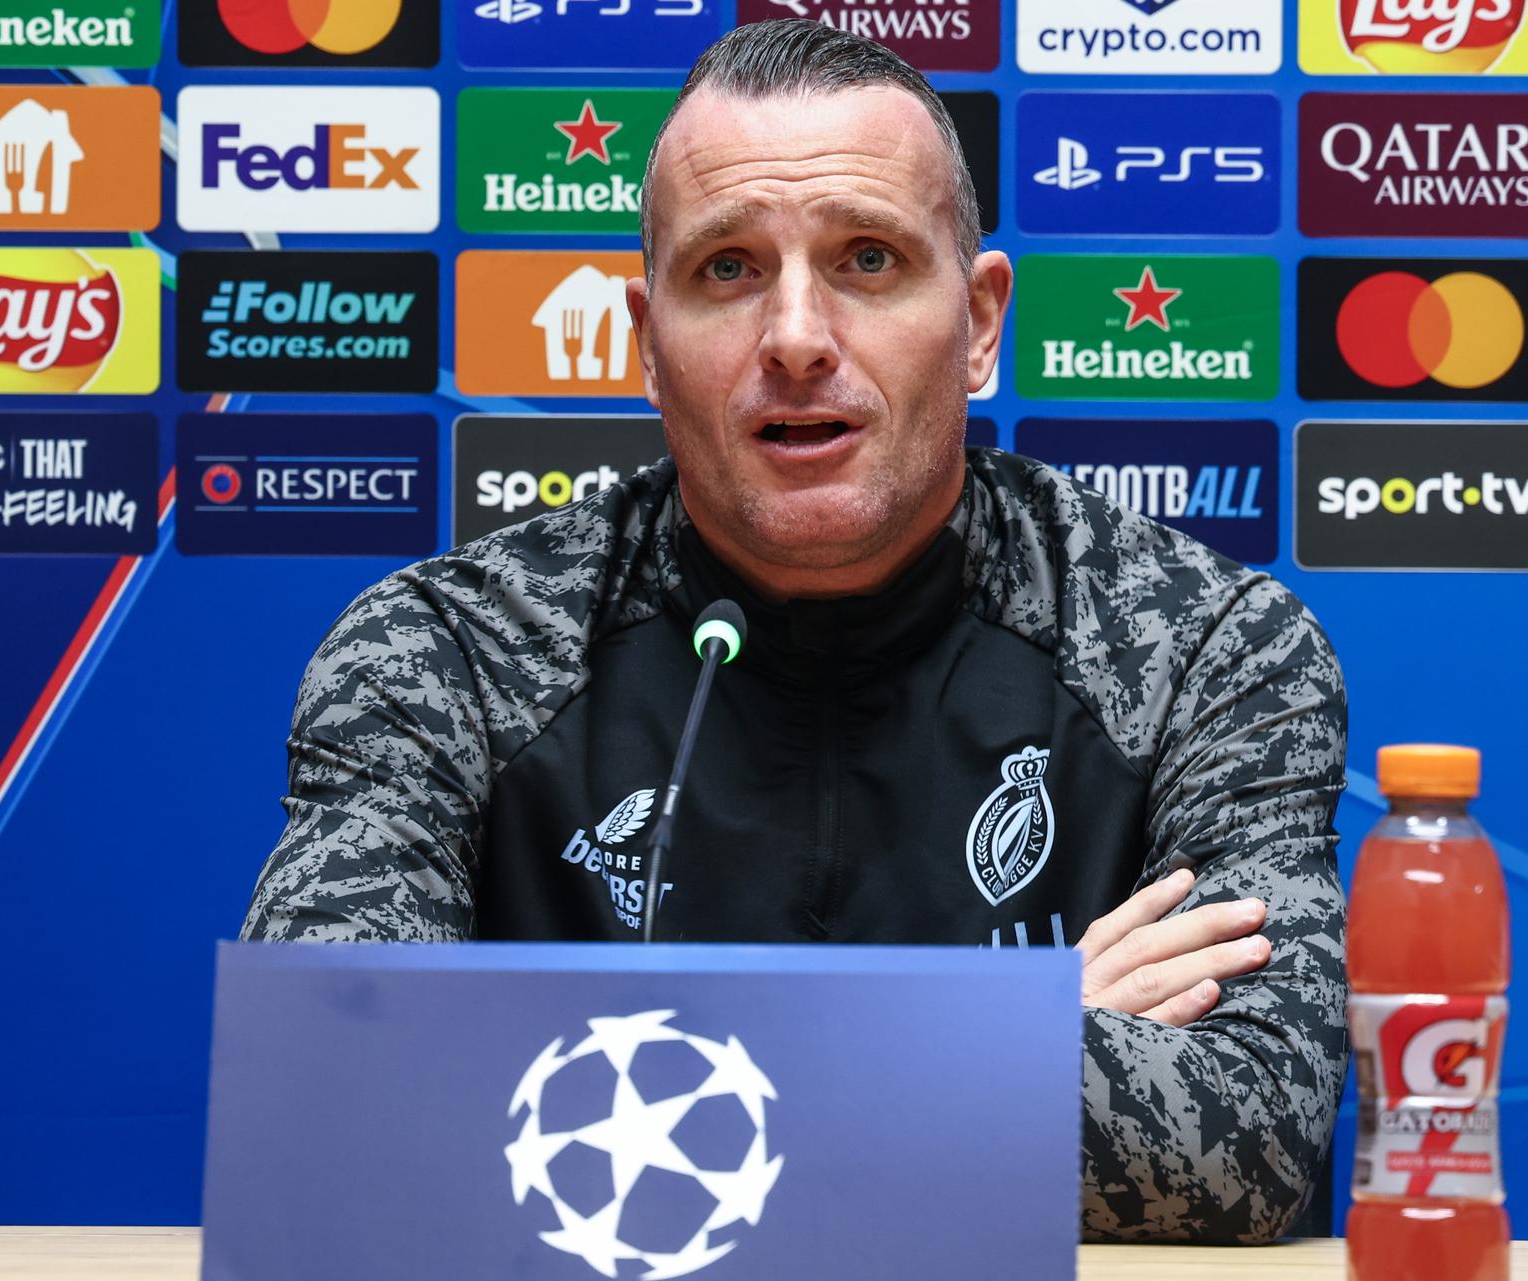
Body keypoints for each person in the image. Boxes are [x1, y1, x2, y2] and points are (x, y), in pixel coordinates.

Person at [241, 20, 1348, 1246]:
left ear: (979, 324)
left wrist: (615, 1098)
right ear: (645, 342)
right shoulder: (445, 652)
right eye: (726, 269)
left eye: (868, 259)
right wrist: (1009, 1029)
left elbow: (1255, 1138)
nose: (798, 338)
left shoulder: (1204, 649)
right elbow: (322, 1097)